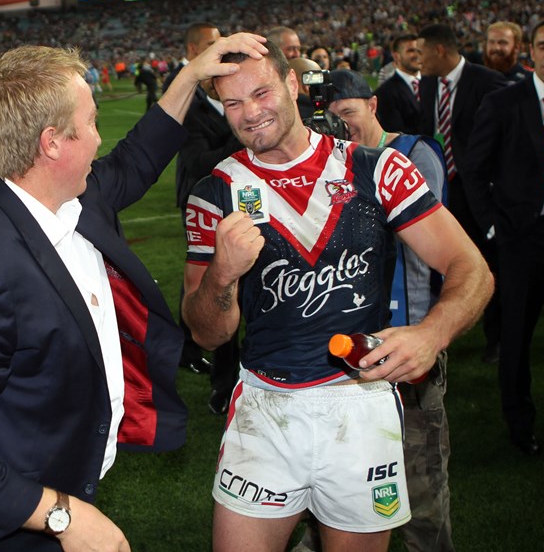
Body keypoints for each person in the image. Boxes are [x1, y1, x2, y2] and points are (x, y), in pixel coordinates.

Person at [0, 35, 267, 552]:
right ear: (52, 143)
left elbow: (140, 154)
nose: (98, 137)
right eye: (91, 122)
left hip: (58, 487)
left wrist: (189, 75)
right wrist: (63, 517)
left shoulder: (72, 200)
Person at [181, 41, 492, 552]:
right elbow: (206, 331)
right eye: (232, 103)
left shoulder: (378, 170)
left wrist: (431, 333)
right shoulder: (214, 192)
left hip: (361, 405)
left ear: (292, 85)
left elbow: (471, 268)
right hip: (266, 405)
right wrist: (221, 276)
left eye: (260, 93)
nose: (250, 113)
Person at [328, 69, 454, 551]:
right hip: (352, 343)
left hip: (409, 335)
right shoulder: (336, 163)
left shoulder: (412, 155)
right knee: (343, 481)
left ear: (373, 105)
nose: (343, 128)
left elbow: (423, 239)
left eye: (349, 114)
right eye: (332, 120)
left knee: (420, 480)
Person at [464, 15, 544, 456]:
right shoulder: (505, 102)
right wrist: (493, 224)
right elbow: (474, 169)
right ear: (532, 53)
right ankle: (519, 419)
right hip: (522, 238)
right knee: (516, 337)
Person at [417, 23, 508, 365]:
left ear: (440, 50)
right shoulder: (427, 84)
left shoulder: (487, 82)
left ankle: (496, 340)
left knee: (487, 263)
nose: (419, 60)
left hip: (478, 192)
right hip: (440, 191)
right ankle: (443, 330)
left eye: (422, 52)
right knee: (443, 261)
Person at [175, 24, 243, 413]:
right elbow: (198, 163)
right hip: (204, 206)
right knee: (213, 287)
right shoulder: (189, 104)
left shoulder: (228, 96)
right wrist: (241, 133)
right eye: (212, 47)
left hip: (243, 205)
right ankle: (223, 383)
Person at [375, 34, 422, 134]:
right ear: (396, 56)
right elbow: (395, 134)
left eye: (419, 50)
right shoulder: (384, 93)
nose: (417, 55)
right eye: (411, 51)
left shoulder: (435, 84)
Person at [163, 22, 220, 96]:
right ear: (193, 48)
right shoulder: (175, 80)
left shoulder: (213, 73)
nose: (219, 48)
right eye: (212, 44)